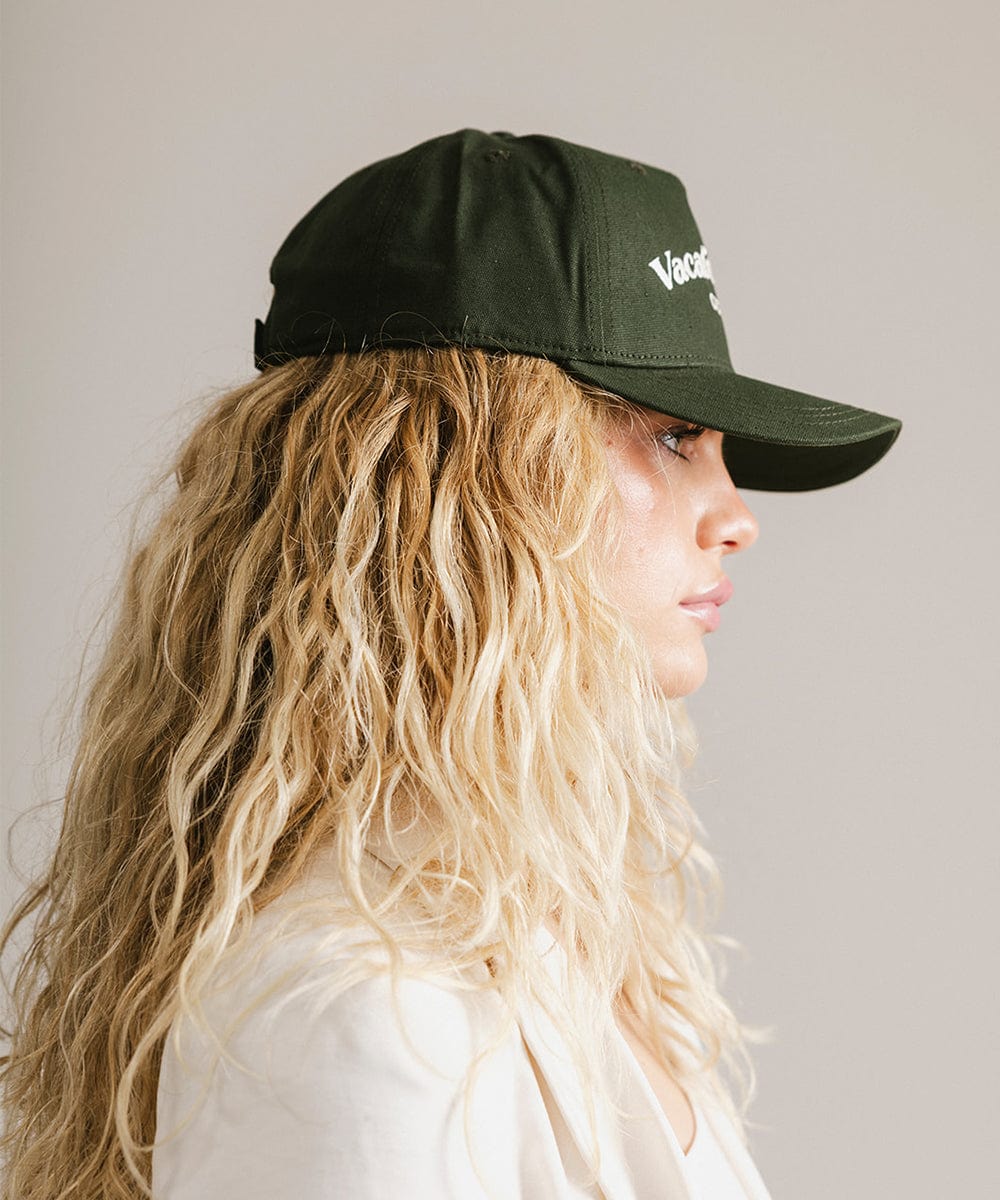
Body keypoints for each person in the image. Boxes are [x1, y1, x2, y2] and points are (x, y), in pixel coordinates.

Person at [0, 128, 902, 1199]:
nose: (736, 516)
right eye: (671, 435)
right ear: (460, 471)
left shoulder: (554, 946)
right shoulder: (351, 1009)